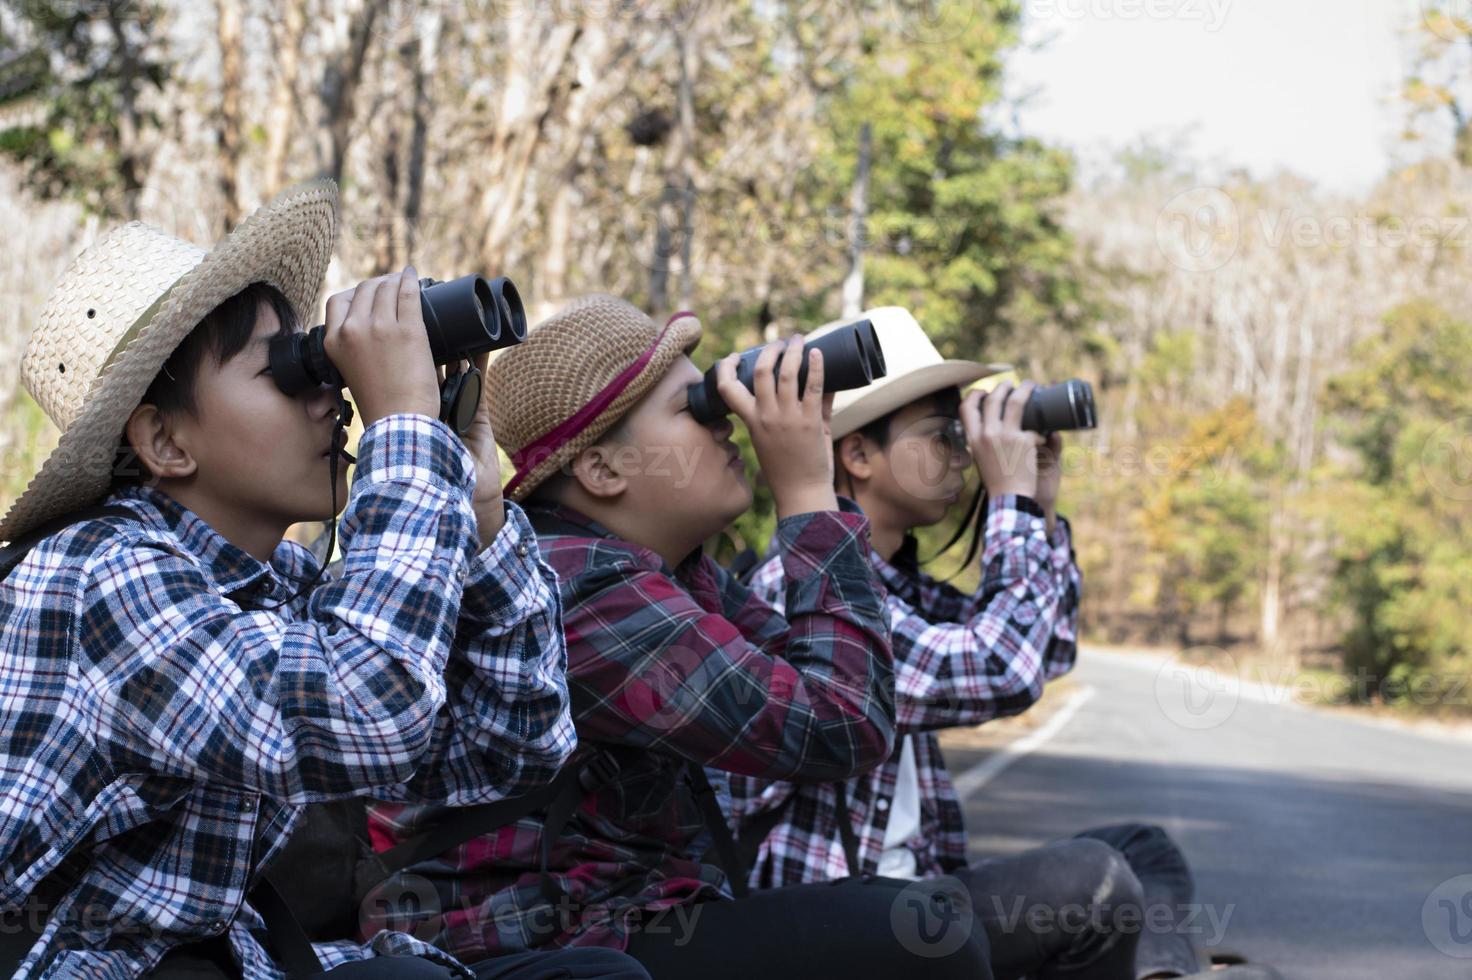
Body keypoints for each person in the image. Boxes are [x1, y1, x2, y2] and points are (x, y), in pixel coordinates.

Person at [0, 182, 646, 980]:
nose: (330, 394)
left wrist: (476, 507)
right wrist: (404, 430)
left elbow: (513, 750)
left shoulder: (280, 586)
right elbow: (372, 710)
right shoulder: (100, 574)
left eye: (319, 359)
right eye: (288, 371)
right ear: (164, 440)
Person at [364, 295, 991, 980]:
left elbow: (840, 690)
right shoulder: (578, 587)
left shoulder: (670, 572)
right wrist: (808, 489)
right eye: (694, 407)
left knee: (1056, 884)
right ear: (603, 470)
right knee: (928, 933)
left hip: (633, 920)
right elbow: (841, 726)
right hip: (547, 949)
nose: (726, 426)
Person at [734, 308, 1275, 980]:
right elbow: (1000, 669)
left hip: (911, 896)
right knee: (1093, 879)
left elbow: (1046, 654)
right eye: (941, 436)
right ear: (859, 454)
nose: (962, 453)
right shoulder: (801, 585)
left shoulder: (891, 580)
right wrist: (1010, 500)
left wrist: (1039, 509)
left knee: (1144, 849)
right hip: (837, 923)